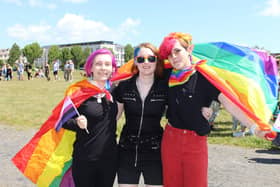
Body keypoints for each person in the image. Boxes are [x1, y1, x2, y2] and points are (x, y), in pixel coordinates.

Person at [158, 32, 269, 187]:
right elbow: (141, 71)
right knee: (171, 184)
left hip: (195, 141)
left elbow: (230, 103)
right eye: (169, 54)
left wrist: (254, 127)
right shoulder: (166, 75)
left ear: (189, 49)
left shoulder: (205, 77)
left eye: (177, 51)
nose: (174, 57)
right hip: (170, 140)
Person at [115, 43, 213, 187]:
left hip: (155, 152)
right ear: (135, 61)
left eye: (151, 59)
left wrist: (204, 106)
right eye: (141, 59)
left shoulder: (166, 84)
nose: (146, 63)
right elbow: (113, 118)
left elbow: (186, 96)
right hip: (127, 150)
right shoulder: (124, 87)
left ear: (157, 61)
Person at [62, 49, 118, 187]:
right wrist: (77, 123)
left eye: (107, 64)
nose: (103, 68)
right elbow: (62, 121)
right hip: (85, 159)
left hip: (109, 159)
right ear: (90, 68)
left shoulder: (114, 90)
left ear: (112, 68)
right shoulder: (78, 92)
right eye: (98, 64)